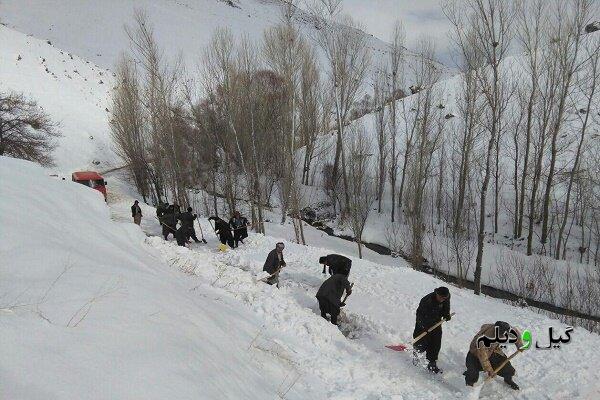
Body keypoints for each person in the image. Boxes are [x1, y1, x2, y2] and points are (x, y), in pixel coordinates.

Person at [464, 321, 523, 390]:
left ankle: (508, 379)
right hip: (475, 354)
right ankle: (469, 389)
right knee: (472, 373)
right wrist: (489, 370)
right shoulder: (485, 337)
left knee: (506, 367)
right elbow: (482, 355)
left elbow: (516, 333)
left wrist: (520, 345)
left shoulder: (507, 330)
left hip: (492, 351)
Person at [413, 286, 451, 374]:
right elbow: (419, 316)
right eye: (440, 297)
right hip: (423, 323)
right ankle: (417, 354)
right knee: (421, 341)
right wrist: (425, 326)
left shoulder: (446, 297)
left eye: (444, 298)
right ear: (436, 293)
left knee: (436, 343)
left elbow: (446, 305)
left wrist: (446, 314)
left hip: (436, 322)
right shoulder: (426, 301)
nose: (442, 300)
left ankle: (432, 363)